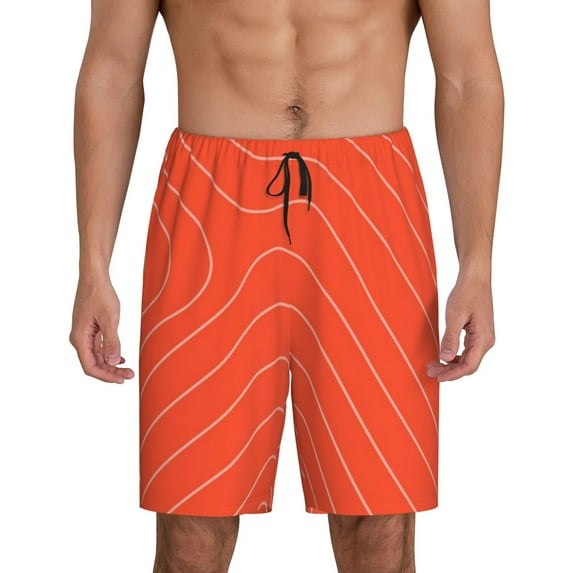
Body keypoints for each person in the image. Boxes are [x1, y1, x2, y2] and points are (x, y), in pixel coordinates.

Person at [69, 0, 503, 571]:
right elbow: (112, 74)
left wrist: (477, 266)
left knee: (379, 525)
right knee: (190, 529)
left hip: (371, 207)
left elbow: (468, 77)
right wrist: (93, 266)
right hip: (208, 208)